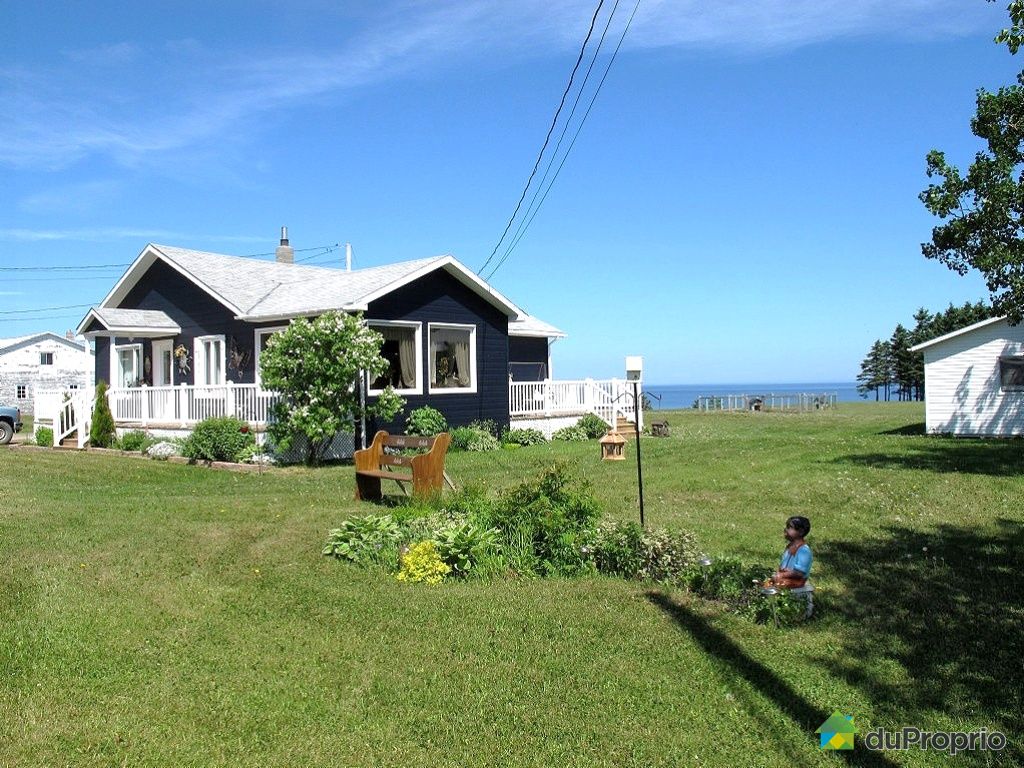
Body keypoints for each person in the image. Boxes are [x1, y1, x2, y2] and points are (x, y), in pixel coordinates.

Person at [772, 516, 814, 616]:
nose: (786, 529)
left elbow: (799, 572)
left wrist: (782, 575)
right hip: (785, 579)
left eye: (789, 527)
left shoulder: (804, 551)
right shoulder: (790, 547)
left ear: (800, 532)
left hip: (796, 582)